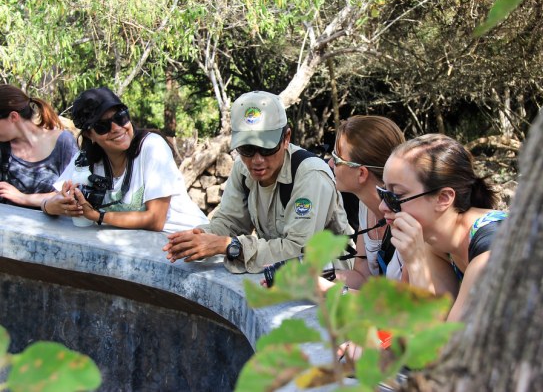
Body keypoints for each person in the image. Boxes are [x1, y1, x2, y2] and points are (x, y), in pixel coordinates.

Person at [164, 90, 353, 273]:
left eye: (266, 149)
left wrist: (231, 246)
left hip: (333, 282)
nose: (257, 160)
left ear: (286, 138)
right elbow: (230, 222)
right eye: (247, 149)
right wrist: (198, 238)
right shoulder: (242, 169)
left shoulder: (310, 175)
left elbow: (297, 251)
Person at [43, 87, 208, 233]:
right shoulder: (86, 160)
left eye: (120, 117)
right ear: (89, 134)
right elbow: (55, 196)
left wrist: (97, 216)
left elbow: (155, 220)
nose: (116, 128)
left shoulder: (152, 147)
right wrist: (53, 206)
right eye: (103, 126)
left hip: (187, 238)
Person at [379, 133, 507, 321]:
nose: (383, 206)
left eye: (395, 196)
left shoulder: (491, 253)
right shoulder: (435, 242)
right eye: (382, 193)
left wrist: (415, 263)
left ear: (443, 198)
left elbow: (446, 347)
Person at [317, 115, 427, 294]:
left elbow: (400, 308)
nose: (330, 163)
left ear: (361, 173)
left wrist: (329, 290)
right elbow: (363, 277)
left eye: (337, 159)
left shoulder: (410, 221)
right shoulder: (365, 205)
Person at [0, 84, 78, 208]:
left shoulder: (63, 142)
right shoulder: (3, 146)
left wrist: (23, 198)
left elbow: (72, 194)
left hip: (54, 226)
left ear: (13, 117)